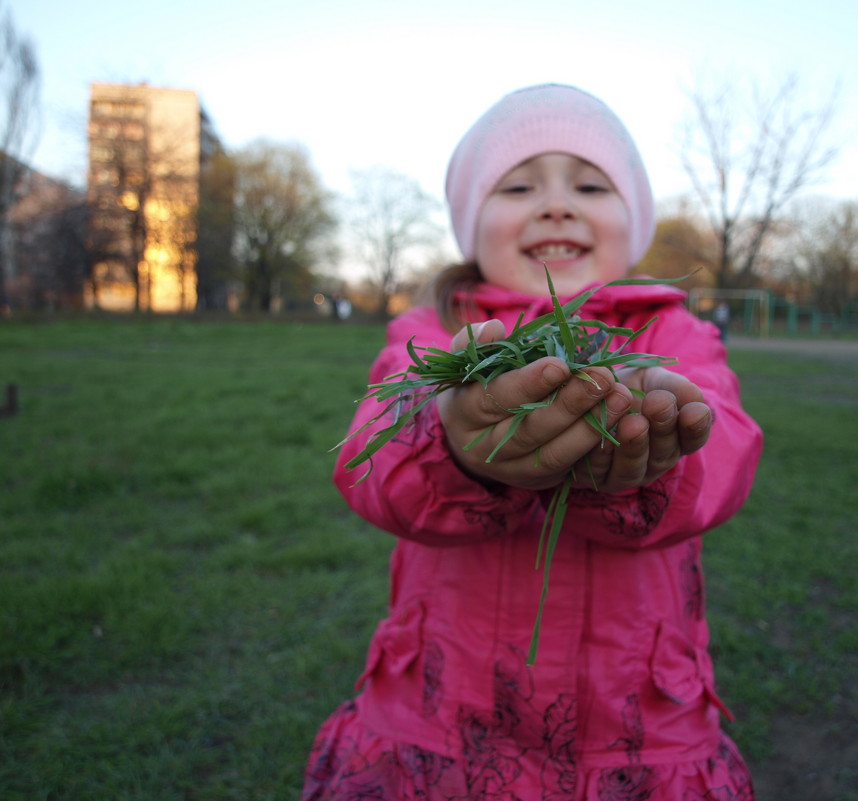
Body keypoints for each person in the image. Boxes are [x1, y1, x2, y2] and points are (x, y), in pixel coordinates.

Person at [303, 84, 764, 801]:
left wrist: (658, 456)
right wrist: (454, 443)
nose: (556, 203)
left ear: (633, 220)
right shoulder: (431, 335)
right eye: (518, 185)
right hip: (437, 723)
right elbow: (372, 457)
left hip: (634, 731)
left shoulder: (673, 337)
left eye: (589, 183)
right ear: (471, 224)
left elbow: (728, 446)